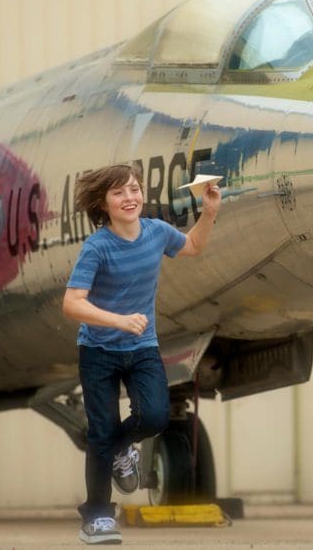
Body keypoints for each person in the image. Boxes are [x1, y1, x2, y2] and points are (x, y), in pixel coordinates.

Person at [62, 163, 221, 545]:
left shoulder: (156, 232)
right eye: (119, 193)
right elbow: (71, 303)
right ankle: (97, 518)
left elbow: (195, 246)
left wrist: (210, 212)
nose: (130, 198)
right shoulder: (97, 247)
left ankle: (121, 448)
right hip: (98, 351)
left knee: (152, 416)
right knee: (101, 431)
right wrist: (116, 320)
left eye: (134, 190)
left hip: (142, 347)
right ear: (105, 203)